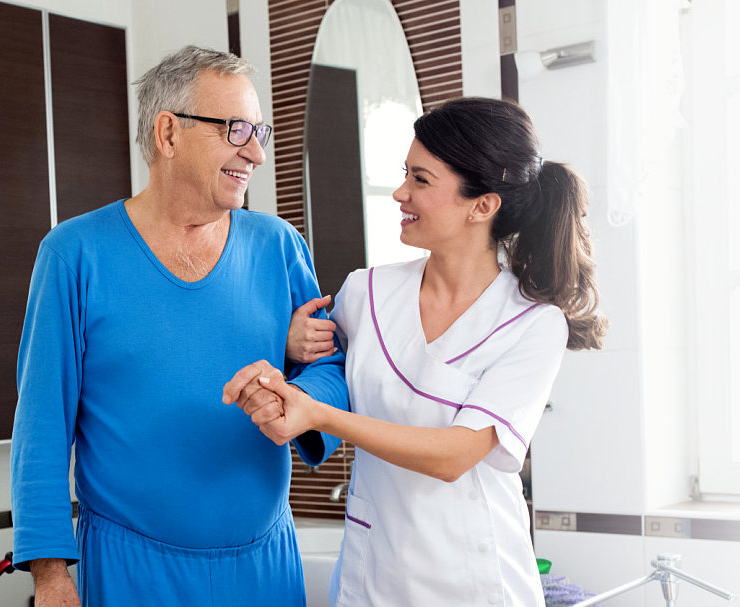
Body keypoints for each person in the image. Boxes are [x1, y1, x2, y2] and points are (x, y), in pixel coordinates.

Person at [222, 97, 606, 606]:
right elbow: (321, 369)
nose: (401, 193)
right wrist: (291, 343)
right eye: (405, 174)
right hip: (373, 576)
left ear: (482, 206)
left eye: (421, 180)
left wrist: (321, 416)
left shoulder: (532, 324)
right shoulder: (366, 293)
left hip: (476, 582)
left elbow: (454, 456)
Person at [10, 45, 349, 606]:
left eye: (259, 132)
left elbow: (331, 369)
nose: (256, 153)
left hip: (264, 568)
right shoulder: (74, 255)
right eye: (236, 130)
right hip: (130, 571)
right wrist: (50, 576)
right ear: (168, 133)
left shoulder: (279, 245)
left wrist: (296, 398)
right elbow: (41, 424)